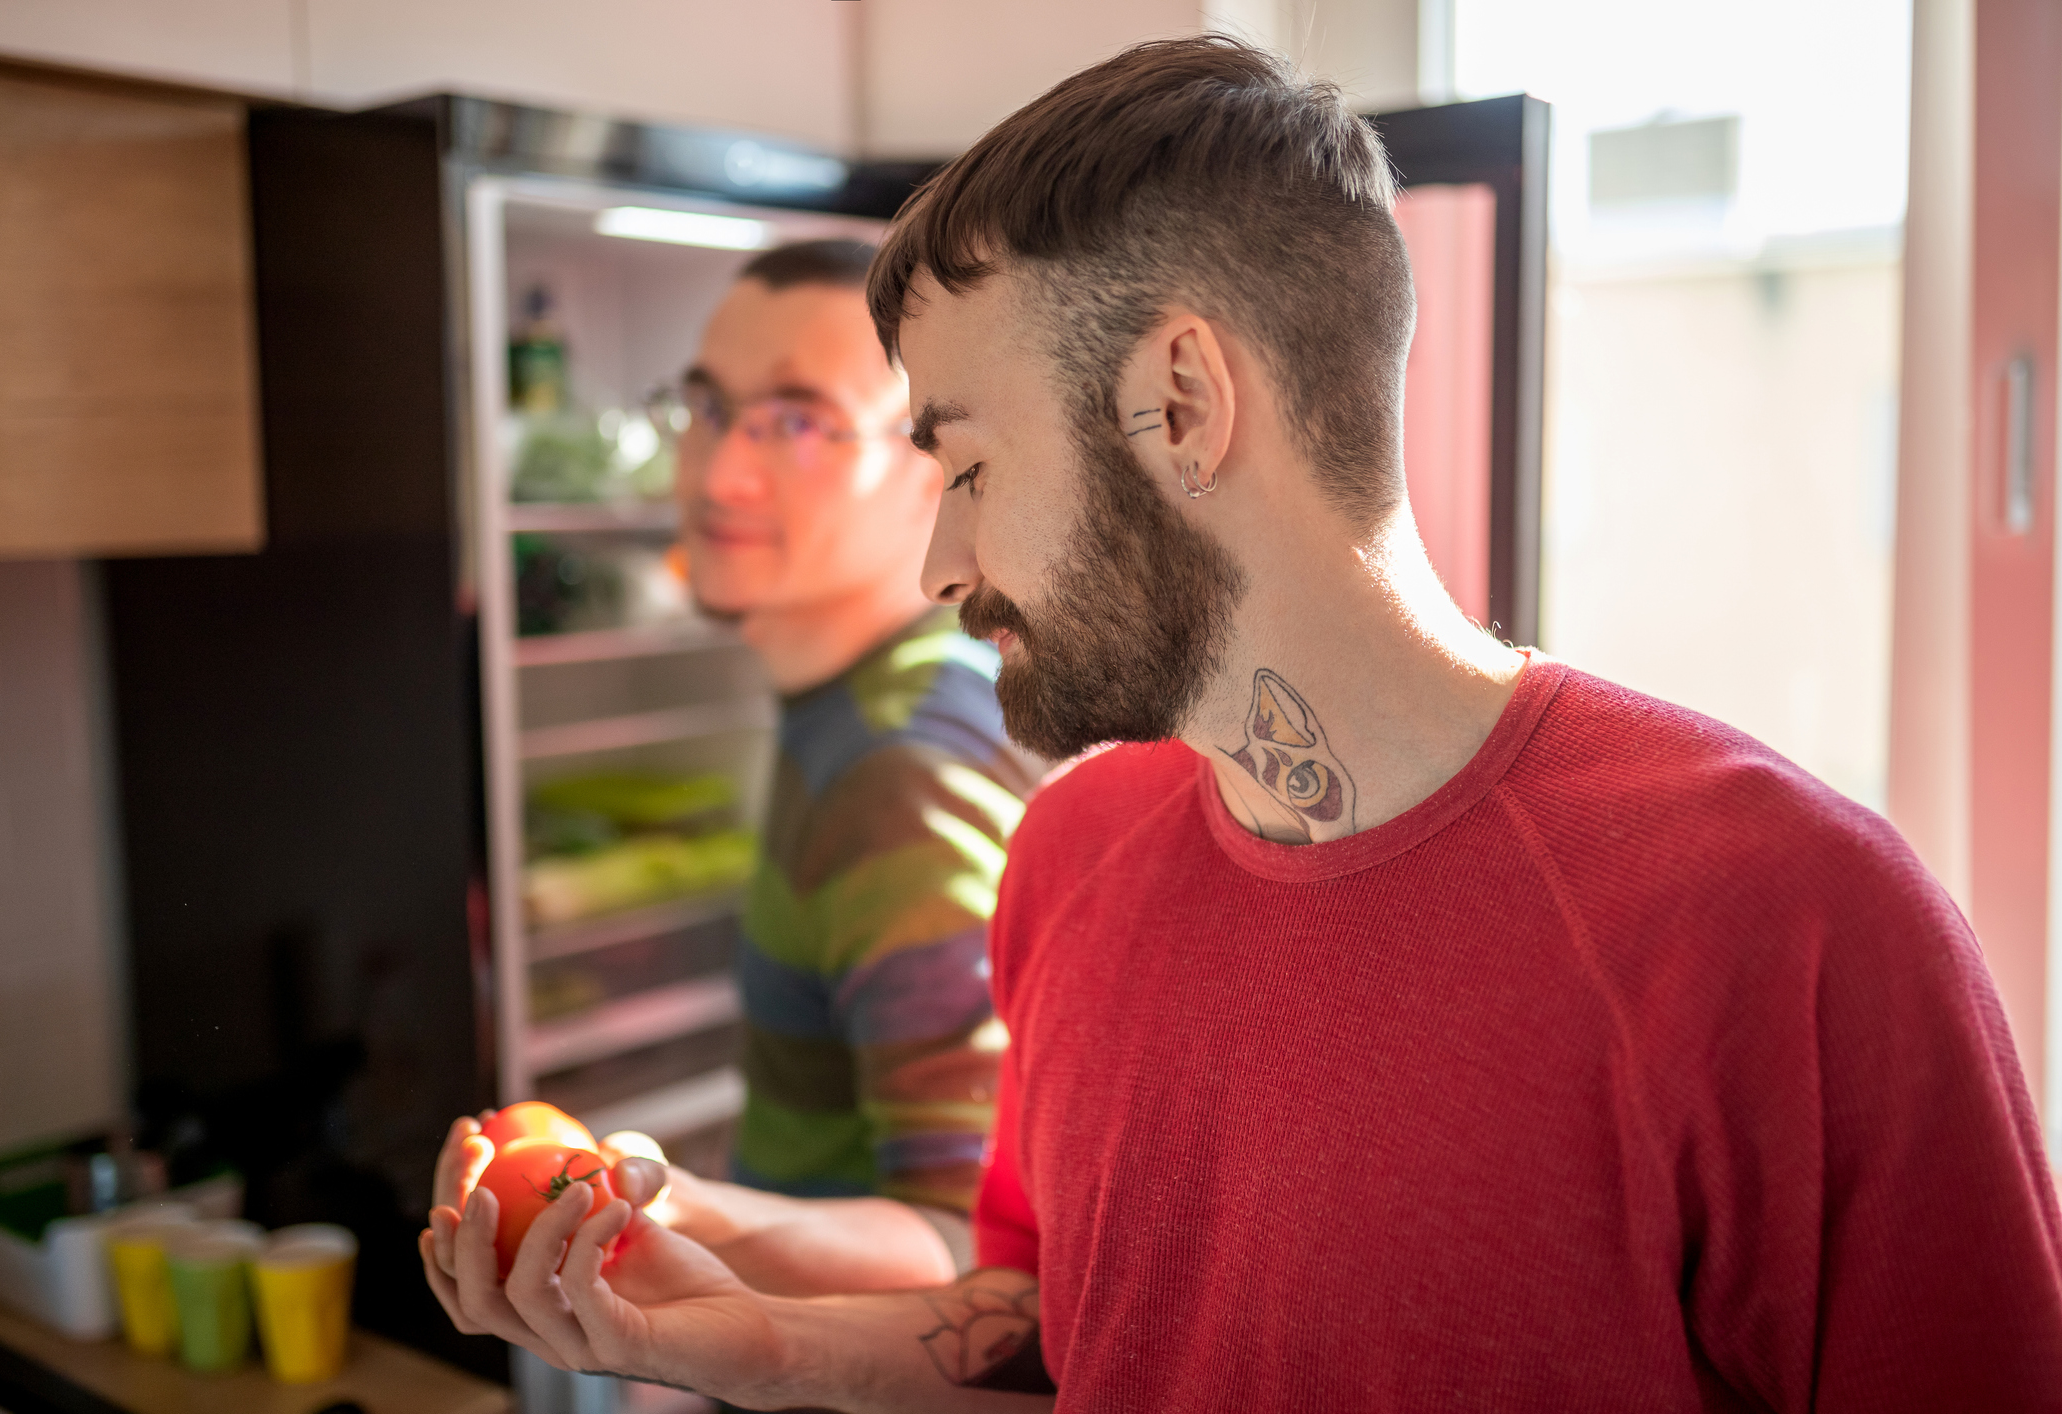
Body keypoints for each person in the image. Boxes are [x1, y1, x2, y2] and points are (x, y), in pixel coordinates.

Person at [421, 39, 2062, 1412]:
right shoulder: (1068, 854)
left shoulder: (1794, 920)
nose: (939, 562)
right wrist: (749, 1341)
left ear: (1181, 404)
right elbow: (1057, 1324)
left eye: (970, 464)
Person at [473, 240, 1040, 1300]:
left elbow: (970, 1248)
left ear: (935, 461)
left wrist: (650, 1204)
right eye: (708, 408)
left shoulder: (896, 775)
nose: (722, 470)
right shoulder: (870, 702)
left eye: (798, 422)